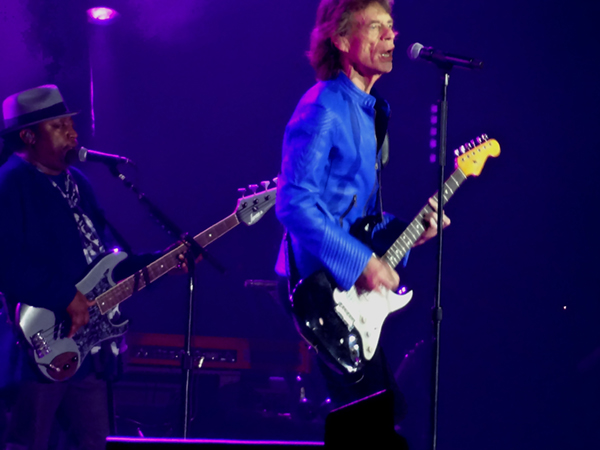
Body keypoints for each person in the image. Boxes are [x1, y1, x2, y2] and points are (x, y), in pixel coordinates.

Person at [275, 0, 449, 447]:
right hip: (316, 287)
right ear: (339, 38)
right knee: (372, 421)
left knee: (382, 414)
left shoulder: (372, 113)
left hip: (346, 283)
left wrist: (410, 234)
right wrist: (363, 264)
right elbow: (294, 203)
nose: (391, 37)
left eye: (391, 27)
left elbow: (356, 217)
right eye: (376, 28)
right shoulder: (323, 106)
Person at [0, 85, 183, 450]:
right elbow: (8, 261)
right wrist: (65, 295)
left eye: (71, 123)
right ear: (28, 136)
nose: (73, 133)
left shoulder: (78, 184)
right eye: (60, 125)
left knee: (94, 444)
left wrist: (162, 262)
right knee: (28, 442)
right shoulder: (10, 183)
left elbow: (100, 262)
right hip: (36, 346)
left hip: (86, 349)